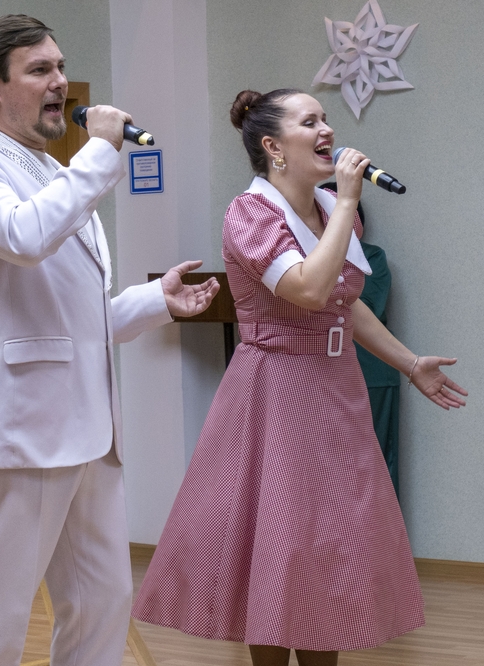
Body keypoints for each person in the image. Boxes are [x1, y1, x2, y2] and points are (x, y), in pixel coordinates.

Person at [132, 89, 466, 666]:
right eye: (310, 121)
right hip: (277, 390)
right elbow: (308, 289)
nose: (327, 130)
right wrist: (347, 202)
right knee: (280, 543)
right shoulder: (252, 213)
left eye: (326, 119)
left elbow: (343, 303)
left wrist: (411, 364)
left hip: (337, 386)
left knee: (328, 547)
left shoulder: (331, 208)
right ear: (274, 146)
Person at [0, 15, 219, 666]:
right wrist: (102, 152)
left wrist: (154, 302)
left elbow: (69, 320)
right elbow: (25, 237)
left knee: (101, 607)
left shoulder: (52, 171)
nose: (60, 81)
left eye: (60, 66)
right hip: (23, 435)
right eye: (39, 70)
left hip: (91, 435)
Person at [318, 192, 403, 498]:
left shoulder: (371, 257)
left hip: (371, 374)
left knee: (373, 466)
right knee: (326, 469)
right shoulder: (298, 261)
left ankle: (382, 531)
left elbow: (362, 308)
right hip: (320, 375)